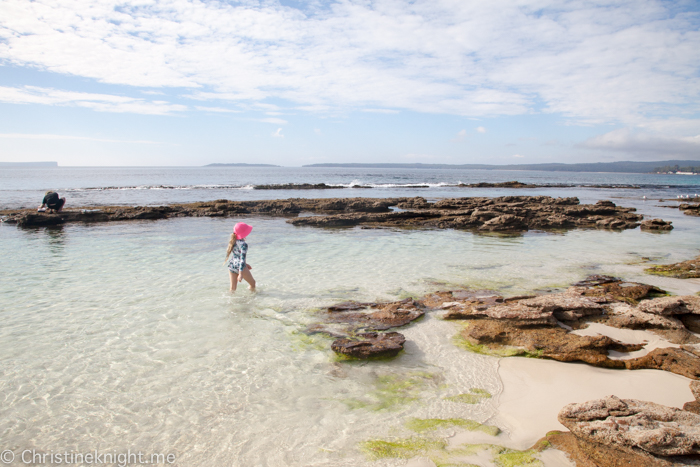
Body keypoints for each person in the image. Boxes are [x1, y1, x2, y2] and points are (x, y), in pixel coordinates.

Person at [224, 222, 256, 292]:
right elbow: (242, 258)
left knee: (232, 289)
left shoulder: (233, 241)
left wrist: (245, 264)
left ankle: (230, 302)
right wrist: (240, 273)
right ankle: (252, 300)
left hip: (232, 265)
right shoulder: (244, 244)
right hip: (240, 267)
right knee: (253, 284)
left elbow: (236, 255)